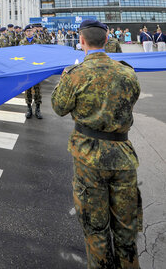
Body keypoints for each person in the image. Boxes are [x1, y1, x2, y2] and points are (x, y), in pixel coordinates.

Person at [51, 19, 142, 268]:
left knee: (96, 231)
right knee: (126, 233)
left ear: (81, 41)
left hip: (89, 159)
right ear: (107, 39)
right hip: (123, 158)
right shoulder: (127, 72)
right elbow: (130, 102)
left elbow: (58, 107)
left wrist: (65, 79)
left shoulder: (75, 74)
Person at [19, 24, 43, 119]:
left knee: (37, 90)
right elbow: (19, 57)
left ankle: (38, 109)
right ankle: (29, 109)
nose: (29, 33)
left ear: (33, 31)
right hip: (26, 69)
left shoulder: (38, 42)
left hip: (36, 69)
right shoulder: (21, 42)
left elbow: (41, 55)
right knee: (28, 89)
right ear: (25, 32)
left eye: (30, 31)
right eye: (27, 31)